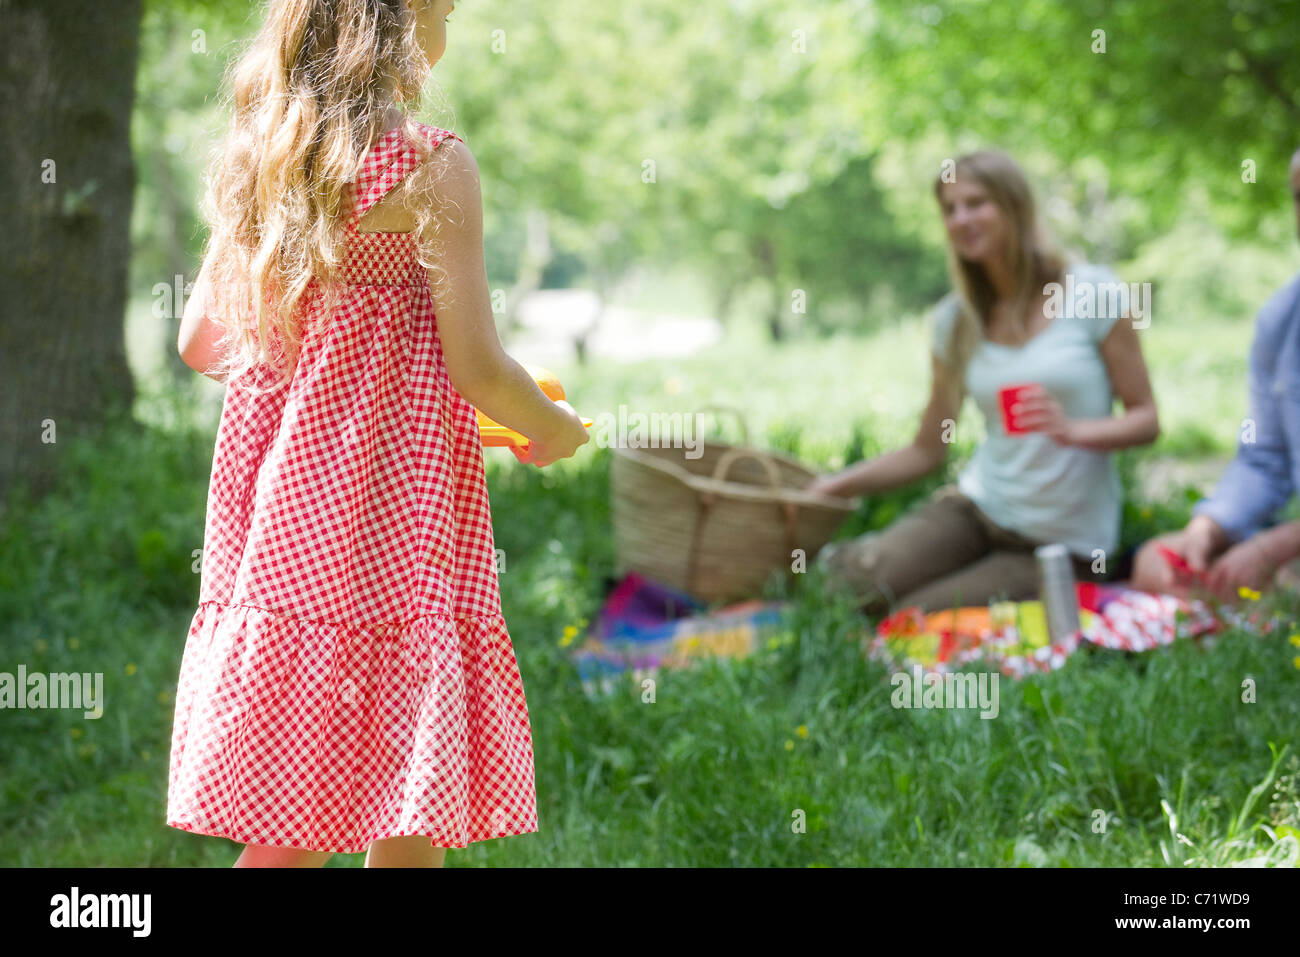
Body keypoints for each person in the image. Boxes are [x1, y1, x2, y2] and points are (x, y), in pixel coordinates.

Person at [169, 0, 589, 868]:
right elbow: (479, 365)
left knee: (297, 819)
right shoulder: (432, 166)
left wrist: (322, 365)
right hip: (396, 518)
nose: (453, 29)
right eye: (446, 10)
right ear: (398, 25)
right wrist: (552, 426)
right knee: (409, 785)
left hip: (284, 527)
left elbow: (201, 340)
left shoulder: (263, 159)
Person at [808, 149, 1159, 613]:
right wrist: (834, 486)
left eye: (975, 203)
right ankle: (860, 559)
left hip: (1060, 542)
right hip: (977, 508)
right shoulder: (956, 321)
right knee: (852, 592)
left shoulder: (1094, 294)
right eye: (949, 209)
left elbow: (1146, 420)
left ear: (1016, 206)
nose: (960, 219)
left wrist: (1075, 431)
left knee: (914, 617)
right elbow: (926, 450)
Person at [1130, 147, 1300, 602]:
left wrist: (1279, 544)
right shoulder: (1282, 319)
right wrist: (1210, 526)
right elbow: (1265, 460)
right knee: (1157, 561)